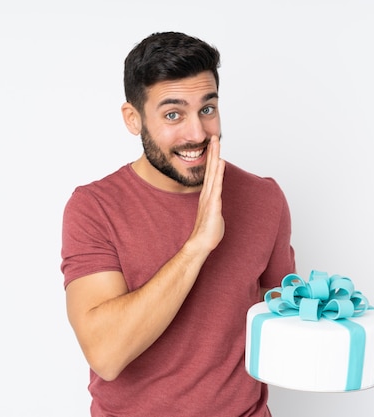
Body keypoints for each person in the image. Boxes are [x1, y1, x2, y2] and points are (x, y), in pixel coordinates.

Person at [60, 31, 296, 417]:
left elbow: (279, 327)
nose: (197, 134)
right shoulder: (94, 208)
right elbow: (106, 354)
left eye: (207, 109)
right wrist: (198, 245)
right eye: (173, 114)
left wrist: (329, 317)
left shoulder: (263, 198)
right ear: (133, 119)